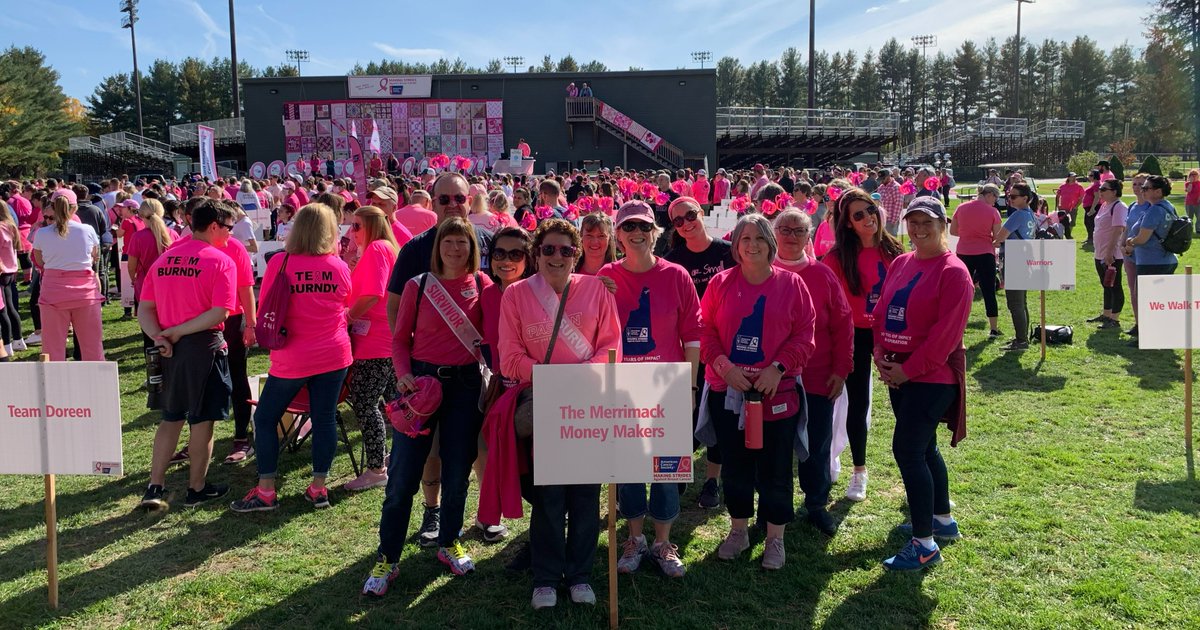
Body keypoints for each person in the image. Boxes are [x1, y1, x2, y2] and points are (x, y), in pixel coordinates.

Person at [364, 217, 493, 590]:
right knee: (403, 476)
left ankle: (449, 541)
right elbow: (400, 339)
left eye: (462, 242)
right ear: (437, 248)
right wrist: (402, 374)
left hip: (465, 388)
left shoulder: (482, 285)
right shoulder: (417, 286)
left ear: (472, 248)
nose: (455, 249)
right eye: (448, 242)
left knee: (457, 472)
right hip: (420, 385)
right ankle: (387, 558)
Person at [497, 219, 620, 609]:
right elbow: (510, 357)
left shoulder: (597, 290)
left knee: (586, 496)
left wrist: (579, 377)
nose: (557, 256)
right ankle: (547, 577)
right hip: (546, 403)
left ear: (576, 254)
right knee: (549, 497)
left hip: (586, 404)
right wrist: (555, 380)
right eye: (548, 249)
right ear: (536, 253)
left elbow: (611, 346)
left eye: (566, 250)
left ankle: (580, 574)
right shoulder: (516, 295)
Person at [700, 214, 815, 571]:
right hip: (729, 391)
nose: (751, 245)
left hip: (776, 393)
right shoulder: (720, 283)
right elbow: (705, 333)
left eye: (759, 239)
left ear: (770, 244)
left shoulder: (792, 284)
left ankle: (775, 537)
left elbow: (804, 335)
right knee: (735, 465)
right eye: (744, 239)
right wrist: (725, 368)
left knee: (776, 467)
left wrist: (777, 367)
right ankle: (738, 530)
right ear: (735, 245)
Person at [386, 172, 494, 546]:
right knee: (424, 457)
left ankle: (475, 519)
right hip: (425, 376)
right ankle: (431, 513)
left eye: (459, 199)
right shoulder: (415, 250)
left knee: (467, 455)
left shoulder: (488, 246)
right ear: (432, 202)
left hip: (470, 377)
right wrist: (407, 369)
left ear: (470, 201)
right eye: (444, 198)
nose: (452, 205)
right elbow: (396, 313)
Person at [598, 201, 701, 579]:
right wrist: (596, 290)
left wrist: (689, 385)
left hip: (666, 385)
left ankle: (662, 542)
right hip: (623, 387)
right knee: (628, 467)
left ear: (654, 231)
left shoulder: (676, 276)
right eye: (628, 227)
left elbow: (692, 335)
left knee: (666, 468)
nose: (636, 233)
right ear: (618, 235)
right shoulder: (605, 275)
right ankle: (635, 538)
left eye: (643, 226)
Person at [230, 203, 352, 513]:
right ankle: (318, 488)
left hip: (293, 356)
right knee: (324, 419)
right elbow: (345, 300)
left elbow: (267, 302)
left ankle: (267, 490)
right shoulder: (337, 266)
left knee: (266, 417)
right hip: (333, 354)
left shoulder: (281, 263)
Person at [873, 196, 971, 571]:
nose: (918, 229)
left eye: (927, 222)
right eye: (912, 222)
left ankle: (924, 544)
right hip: (899, 375)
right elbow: (881, 313)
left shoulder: (953, 271)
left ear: (943, 224)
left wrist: (907, 370)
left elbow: (944, 339)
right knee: (926, 449)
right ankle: (941, 520)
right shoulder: (901, 262)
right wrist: (881, 355)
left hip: (931, 379)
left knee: (909, 451)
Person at [137, 200, 237, 509]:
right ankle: (196, 488)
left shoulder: (164, 260)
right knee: (202, 422)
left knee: (170, 419)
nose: (230, 235)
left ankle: (155, 486)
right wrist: (178, 332)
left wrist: (159, 336)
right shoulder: (221, 261)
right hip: (202, 347)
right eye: (228, 228)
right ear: (213, 227)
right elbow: (220, 311)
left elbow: (145, 309)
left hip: (168, 349)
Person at [771, 208, 852, 536]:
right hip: (775, 378)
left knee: (817, 442)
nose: (790, 236)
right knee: (776, 446)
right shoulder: (762, 272)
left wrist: (842, 369)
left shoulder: (823, 275)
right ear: (774, 234)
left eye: (798, 230)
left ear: (809, 236)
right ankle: (775, 507)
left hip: (819, 376)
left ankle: (816, 503)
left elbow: (844, 324)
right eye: (784, 229)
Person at [822, 188, 904, 502]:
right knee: (857, 405)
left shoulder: (894, 248)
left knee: (905, 406)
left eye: (870, 209)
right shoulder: (837, 258)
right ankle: (859, 471)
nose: (868, 218)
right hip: (855, 335)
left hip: (893, 334)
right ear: (847, 224)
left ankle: (918, 474)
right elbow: (828, 304)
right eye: (858, 215)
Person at [664, 197, 733, 508]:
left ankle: (711, 481)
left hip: (723, 347)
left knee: (718, 416)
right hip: (688, 351)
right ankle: (677, 478)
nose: (686, 223)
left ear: (701, 213)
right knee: (682, 419)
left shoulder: (727, 251)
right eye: (677, 221)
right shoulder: (672, 259)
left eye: (689, 215)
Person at [344, 206, 400, 491]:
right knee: (396, 404)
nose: (352, 232)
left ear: (372, 226)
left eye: (357, 226)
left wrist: (348, 317)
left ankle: (377, 468)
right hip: (383, 339)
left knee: (367, 405)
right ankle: (397, 457)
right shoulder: (382, 248)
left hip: (374, 341)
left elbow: (373, 293)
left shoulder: (378, 248)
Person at [32, 193, 104, 362]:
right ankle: (96, 385)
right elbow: (95, 257)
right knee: (92, 347)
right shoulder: (87, 230)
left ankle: (53, 386)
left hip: (53, 293)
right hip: (85, 293)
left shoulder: (42, 233)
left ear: (52, 207)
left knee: (52, 348)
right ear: (75, 208)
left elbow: (40, 261)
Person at [950, 184, 1004, 336]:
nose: (995, 202)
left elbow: (953, 231)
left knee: (961, 290)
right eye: (996, 198)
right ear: (989, 195)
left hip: (963, 252)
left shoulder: (961, 208)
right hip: (985, 253)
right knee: (989, 291)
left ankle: (957, 325)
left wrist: (969, 233)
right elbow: (997, 237)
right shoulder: (993, 211)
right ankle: (993, 328)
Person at [125, 199, 179, 351]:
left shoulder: (138, 237)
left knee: (149, 333)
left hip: (145, 288)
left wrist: (134, 279)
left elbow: (131, 266)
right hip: (171, 288)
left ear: (141, 216)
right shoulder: (173, 234)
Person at [995, 182, 1037, 352]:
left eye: (1013, 196)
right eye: (1008, 196)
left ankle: (1021, 341)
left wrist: (992, 241)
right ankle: (1022, 338)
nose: (1009, 199)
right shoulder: (1030, 214)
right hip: (1025, 259)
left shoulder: (1018, 215)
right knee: (1021, 302)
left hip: (1014, 259)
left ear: (1025, 198)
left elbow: (1000, 237)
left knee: (1015, 304)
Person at [1124, 175, 1179, 278]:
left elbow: (1142, 239)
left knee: (1150, 294)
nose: (1142, 191)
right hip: (1167, 260)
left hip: (1151, 262)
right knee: (1162, 294)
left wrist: (1130, 241)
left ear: (1158, 191)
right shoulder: (1169, 206)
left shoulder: (1154, 210)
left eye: (1145, 188)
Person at [1091, 180, 1128, 329]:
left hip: (1112, 254)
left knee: (1115, 285)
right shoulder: (1105, 206)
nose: (1100, 191)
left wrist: (1109, 252)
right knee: (1106, 284)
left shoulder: (1119, 207)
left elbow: (1118, 230)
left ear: (1114, 191)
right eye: (1100, 188)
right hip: (1100, 252)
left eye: (1104, 189)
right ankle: (1106, 314)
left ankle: (1115, 319)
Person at [1122, 173, 1150, 339]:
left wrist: (1132, 246)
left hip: (1143, 254)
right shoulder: (1132, 205)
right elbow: (1127, 227)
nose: (1137, 187)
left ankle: (1147, 325)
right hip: (1128, 254)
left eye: (1141, 184)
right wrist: (1121, 243)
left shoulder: (1151, 207)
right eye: (1134, 184)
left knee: (1143, 291)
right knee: (1133, 291)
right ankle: (1138, 324)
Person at [0, 200, 22, 358]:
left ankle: (6, 344)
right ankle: (18, 339)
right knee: (10, 307)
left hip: (2, 270)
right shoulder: (10, 226)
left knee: (2, 311)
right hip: (11, 269)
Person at [1055, 173, 1085, 240]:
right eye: (1072, 177)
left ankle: (1068, 234)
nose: (1074, 178)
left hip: (1072, 208)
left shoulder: (1079, 186)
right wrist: (1057, 205)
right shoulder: (1063, 186)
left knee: (1071, 222)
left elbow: (1081, 197)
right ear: (1068, 178)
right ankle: (1061, 235)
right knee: (1062, 222)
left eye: (1075, 177)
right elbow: (1057, 196)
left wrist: (1076, 206)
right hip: (1062, 207)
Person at [1185, 169, 1200, 234]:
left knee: (1199, 217)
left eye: (1195, 174)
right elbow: (1189, 190)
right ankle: (1189, 230)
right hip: (1189, 203)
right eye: (1192, 175)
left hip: (1198, 203)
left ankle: (1198, 229)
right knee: (1189, 217)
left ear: (1198, 175)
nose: (1193, 176)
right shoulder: (1187, 183)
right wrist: (1191, 182)